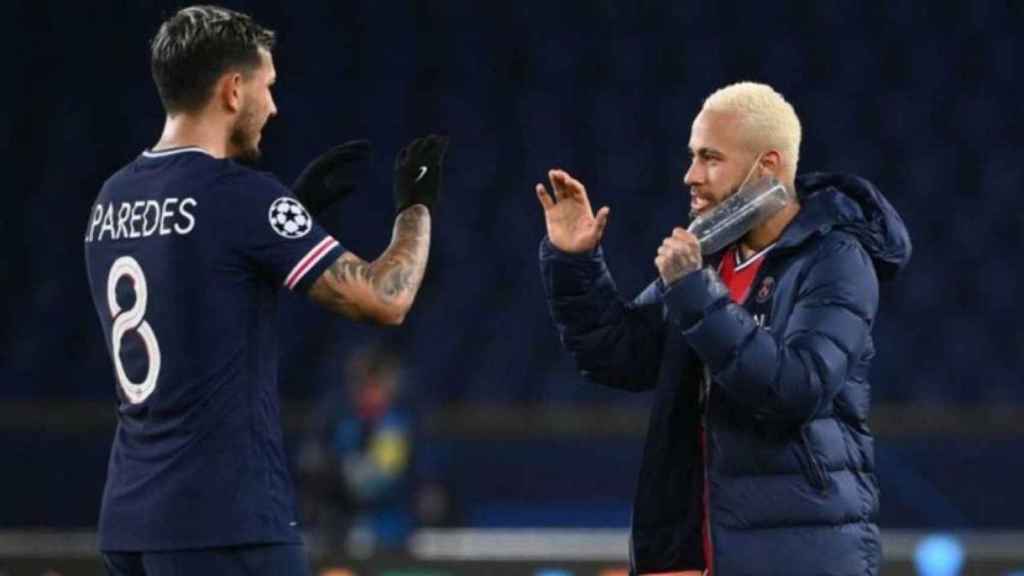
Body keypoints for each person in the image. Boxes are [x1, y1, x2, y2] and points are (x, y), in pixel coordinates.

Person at [83, 5, 447, 575]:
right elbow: (387, 297)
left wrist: (287, 229)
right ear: (232, 90)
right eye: (267, 86)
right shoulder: (239, 196)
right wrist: (415, 209)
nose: (274, 106)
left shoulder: (112, 199)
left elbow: (206, 302)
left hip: (131, 517)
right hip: (225, 519)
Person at [536, 82, 911, 575]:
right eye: (692, 156)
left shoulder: (836, 258)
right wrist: (575, 260)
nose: (690, 175)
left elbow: (797, 387)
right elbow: (621, 354)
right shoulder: (710, 256)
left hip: (798, 556)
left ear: (768, 165)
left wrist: (695, 293)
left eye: (710, 158)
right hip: (692, 551)